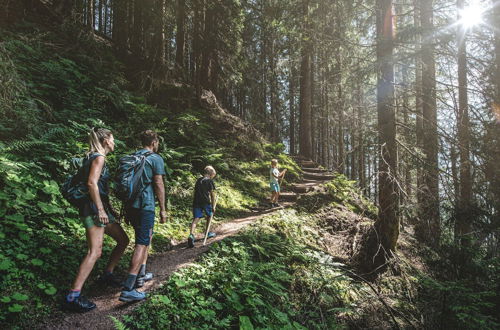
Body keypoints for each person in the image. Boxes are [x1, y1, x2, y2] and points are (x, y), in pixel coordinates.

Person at [63, 128, 130, 313]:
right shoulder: (98, 158)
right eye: (113, 139)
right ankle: (72, 296)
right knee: (95, 251)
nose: (115, 142)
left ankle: (107, 274)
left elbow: (98, 186)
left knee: (123, 239)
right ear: (106, 140)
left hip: (99, 209)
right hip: (93, 210)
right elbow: (92, 183)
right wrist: (100, 209)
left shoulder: (93, 157)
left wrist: (108, 209)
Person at [120, 130, 167, 302]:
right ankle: (129, 287)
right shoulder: (155, 159)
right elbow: (159, 184)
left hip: (131, 206)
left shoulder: (134, 157)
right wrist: (163, 209)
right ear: (154, 142)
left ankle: (141, 274)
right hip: (145, 205)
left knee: (145, 236)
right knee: (142, 243)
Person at [187, 166, 217, 248]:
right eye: (213, 175)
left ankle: (191, 235)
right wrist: (213, 205)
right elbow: (212, 195)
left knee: (196, 218)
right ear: (210, 174)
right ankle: (207, 233)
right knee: (210, 215)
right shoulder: (209, 181)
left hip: (196, 201)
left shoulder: (198, 180)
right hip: (205, 202)